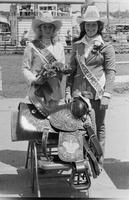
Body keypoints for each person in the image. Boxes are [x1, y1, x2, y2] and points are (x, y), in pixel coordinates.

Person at [65, 6, 116, 167]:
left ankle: (98, 158)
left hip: (97, 94)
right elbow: (71, 71)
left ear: (99, 26)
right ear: (83, 26)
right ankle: (80, 158)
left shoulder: (106, 47)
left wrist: (107, 94)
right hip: (78, 93)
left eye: (94, 25)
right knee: (77, 128)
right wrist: (67, 90)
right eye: (88, 24)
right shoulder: (77, 45)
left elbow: (111, 72)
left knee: (98, 127)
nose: (90, 28)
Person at [22, 12, 66, 111]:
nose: (47, 29)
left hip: (54, 90)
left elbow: (62, 70)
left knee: (53, 120)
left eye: (50, 27)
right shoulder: (31, 46)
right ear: (40, 29)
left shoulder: (59, 47)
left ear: (54, 29)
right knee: (36, 121)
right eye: (44, 27)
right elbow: (25, 68)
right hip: (37, 89)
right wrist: (34, 79)